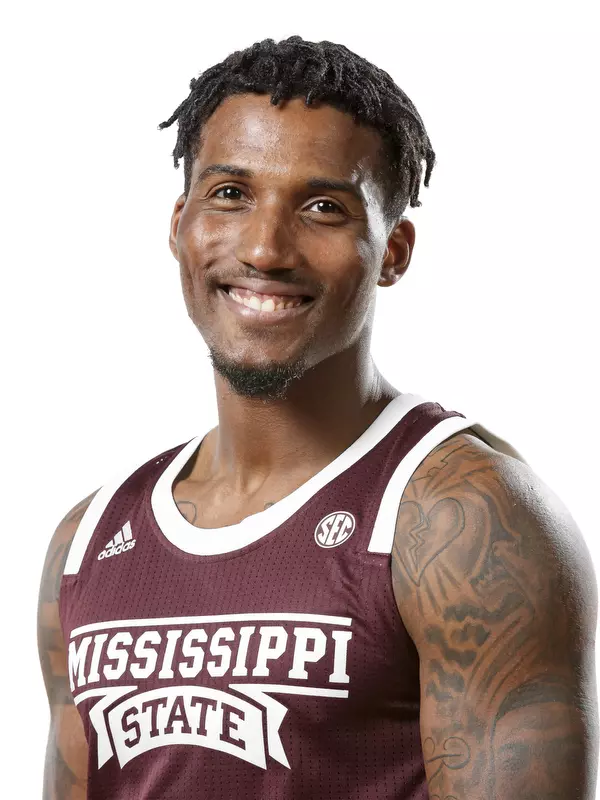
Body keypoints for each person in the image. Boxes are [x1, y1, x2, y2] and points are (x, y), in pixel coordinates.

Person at [37, 35, 598, 800]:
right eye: (230, 194)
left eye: (324, 207)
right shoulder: (88, 542)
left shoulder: (461, 521)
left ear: (393, 251)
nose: (265, 248)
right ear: (180, 224)